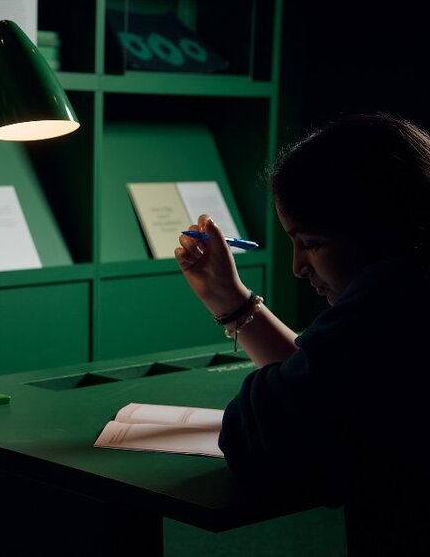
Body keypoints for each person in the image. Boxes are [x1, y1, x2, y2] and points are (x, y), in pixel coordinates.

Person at [174, 112, 430, 555]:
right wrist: (231, 301)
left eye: (310, 242)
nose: (297, 267)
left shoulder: (394, 295)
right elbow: (331, 378)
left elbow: (263, 435)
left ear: (380, 225)